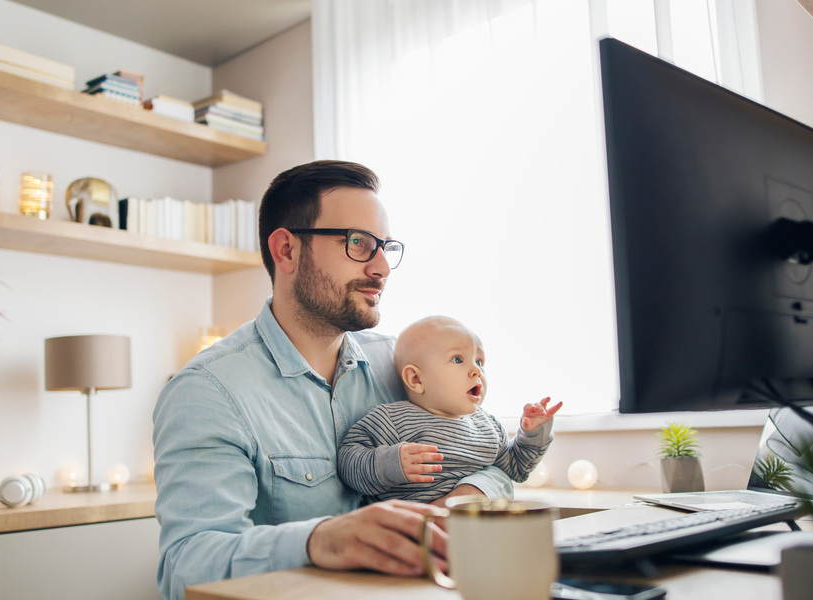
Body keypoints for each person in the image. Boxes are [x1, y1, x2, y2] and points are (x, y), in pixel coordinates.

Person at [152, 161, 514, 600]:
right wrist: (319, 540)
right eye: (358, 243)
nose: (381, 267)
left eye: (385, 246)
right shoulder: (207, 391)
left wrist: (463, 497)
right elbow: (185, 567)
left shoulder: (401, 364)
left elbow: (492, 456)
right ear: (286, 250)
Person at [338, 316, 561, 503]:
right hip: (408, 537)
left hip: (473, 534)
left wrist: (533, 434)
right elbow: (348, 461)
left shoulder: (489, 427)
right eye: (458, 359)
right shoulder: (391, 420)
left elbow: (516, 469)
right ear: (416, 379)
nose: (476, 371)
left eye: (480, 362)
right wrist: (389, 463)